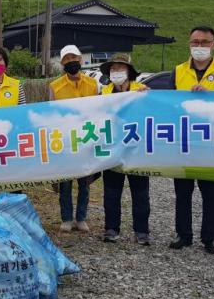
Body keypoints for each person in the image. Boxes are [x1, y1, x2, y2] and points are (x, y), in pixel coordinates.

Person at [169, 26, 214, 255]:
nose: (199, 46)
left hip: (211, 144)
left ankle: (210, 238)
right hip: (184, 143)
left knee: (211, 195)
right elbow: (167, 104)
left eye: (204, 42)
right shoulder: (178, 71)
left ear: (213, 44)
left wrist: (210, 96)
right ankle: (183, 235)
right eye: (195, 42)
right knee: (183, 194)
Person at [98, 53, 151, 245]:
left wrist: (148, 97)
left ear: (129, 71)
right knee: (111, 192)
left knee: (140, 193)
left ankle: (142, 231)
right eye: (113, 69)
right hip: (113, 149)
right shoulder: (103, 93)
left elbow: (152, 113)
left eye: (120, 68)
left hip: (137, 150)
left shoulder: (142, 90)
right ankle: (111, 228)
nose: (116, 72)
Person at [48, 44, 100, 233]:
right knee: (66, 181)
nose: (71, 62)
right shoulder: (55, 86)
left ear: (80, 59)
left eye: (74, 58)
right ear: (62, 63)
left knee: (85, 181)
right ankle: (67, 218)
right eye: (67, 59)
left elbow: (99, 109)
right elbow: (51, 114)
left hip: (87, 137)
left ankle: (81, 217)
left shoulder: (92, 84)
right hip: (65, 140)